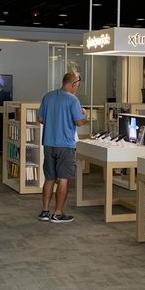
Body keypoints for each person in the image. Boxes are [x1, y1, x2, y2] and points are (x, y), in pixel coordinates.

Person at [37, 72, 87, 223]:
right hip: (65, 145)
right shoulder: (73, 99)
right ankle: (58, 214)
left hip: (49, 144)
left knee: (49, 178)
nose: (77, 87)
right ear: (73, 83)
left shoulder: (48, 97)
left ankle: (45, 212)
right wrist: (85, 114)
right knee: (63, 179)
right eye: (78, 84)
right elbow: (79, 122)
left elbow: (40, 118)